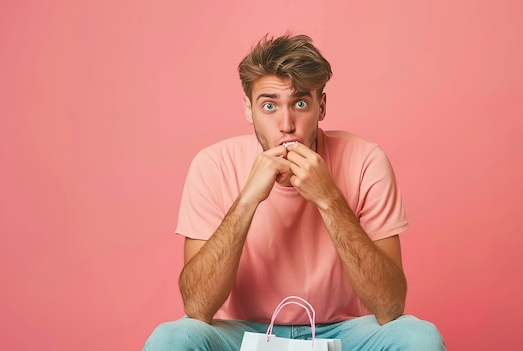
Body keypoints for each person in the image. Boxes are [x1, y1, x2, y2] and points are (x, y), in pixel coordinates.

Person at [144, 33, 446, 350]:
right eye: (269, 105)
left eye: (300, 103)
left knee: (418, 338)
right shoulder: (212, 164)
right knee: (172, 338)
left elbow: (389, 306)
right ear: (249, 109)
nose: (286, 124)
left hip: (343, 333)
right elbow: (197, 307)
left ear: (322, 106)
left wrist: (329, 199)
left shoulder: (365, 160)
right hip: (243, 335)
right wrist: (247, 200)